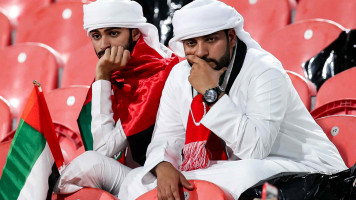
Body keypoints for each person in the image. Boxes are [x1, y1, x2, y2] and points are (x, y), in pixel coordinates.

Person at [117, 0, 347, 199]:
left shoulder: (264, 70)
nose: (201, 52)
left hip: (301, 166)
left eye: (210, 40)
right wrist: (163, 165)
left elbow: (255, 149)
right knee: (134, 182)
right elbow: (167, 136)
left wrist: (212, 93)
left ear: (231, 37)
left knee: (247, 177)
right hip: (231, 167)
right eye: (191, 44)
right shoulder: (179, 75)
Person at [54, 0, 178, 196]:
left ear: (136, 32)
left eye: (113, 33)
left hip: (168, 179)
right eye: (96, 36)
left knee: (88, 165)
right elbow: (103, 151)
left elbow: (103, 151)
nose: (103, 45)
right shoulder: (119, 73)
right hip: (138, 176)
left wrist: (102, 77)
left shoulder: (157, 73)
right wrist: (103, 78)